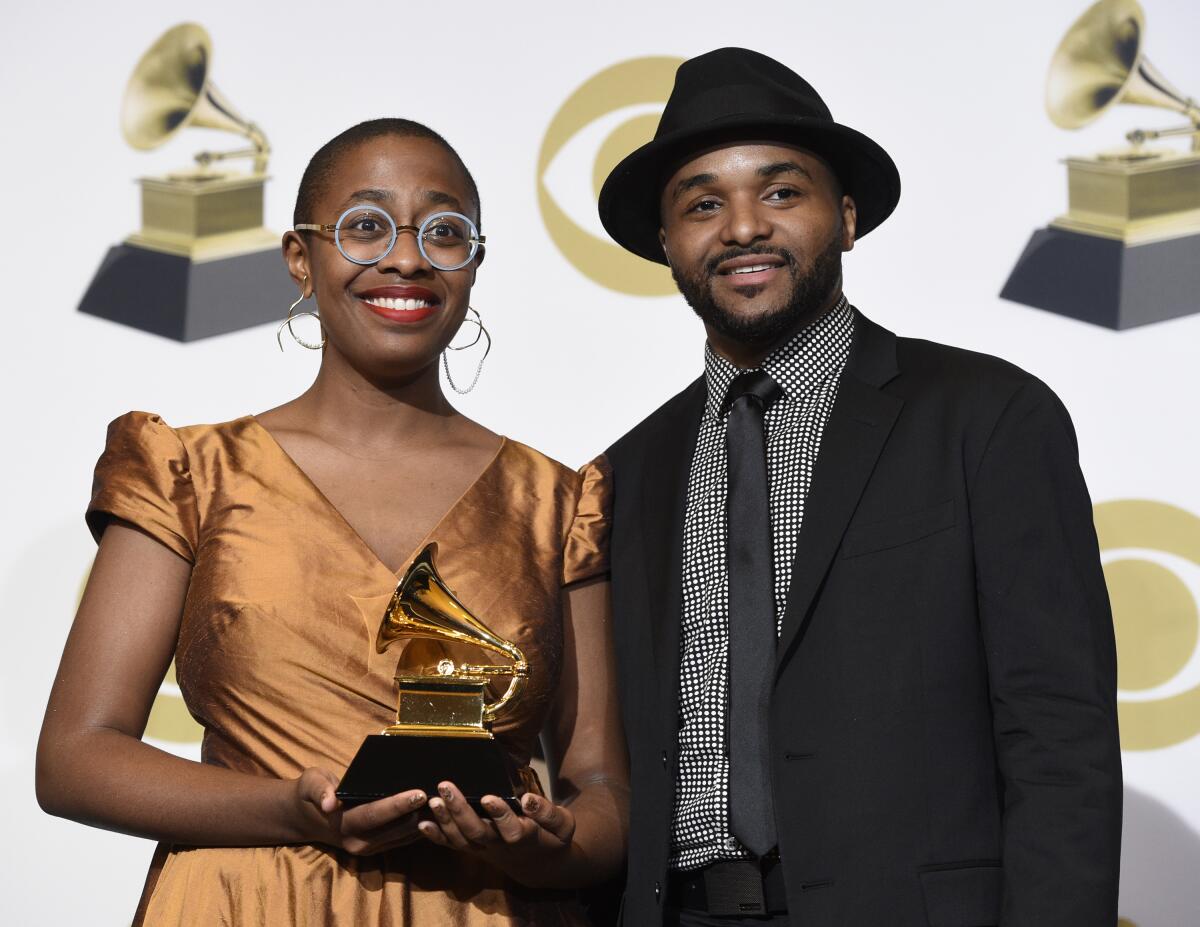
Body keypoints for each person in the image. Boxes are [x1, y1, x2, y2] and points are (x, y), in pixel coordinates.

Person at [36, 118, 627, 926]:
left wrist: (542, 844)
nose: (408, 257)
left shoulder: (559, 501)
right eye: (366, 225)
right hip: (241, 905)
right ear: (299, 257)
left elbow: (601, 792)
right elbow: (75, 759)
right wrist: (293, 809)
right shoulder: (191, 472)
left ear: (475, 264)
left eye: (445, 231)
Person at [591, 48, 1122, 926]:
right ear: (666, 242)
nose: (742, 228)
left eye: (782, 192)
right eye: (702, 204)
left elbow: (1059, 739)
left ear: (845, 216)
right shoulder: (627, 470)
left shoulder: (987, 418)